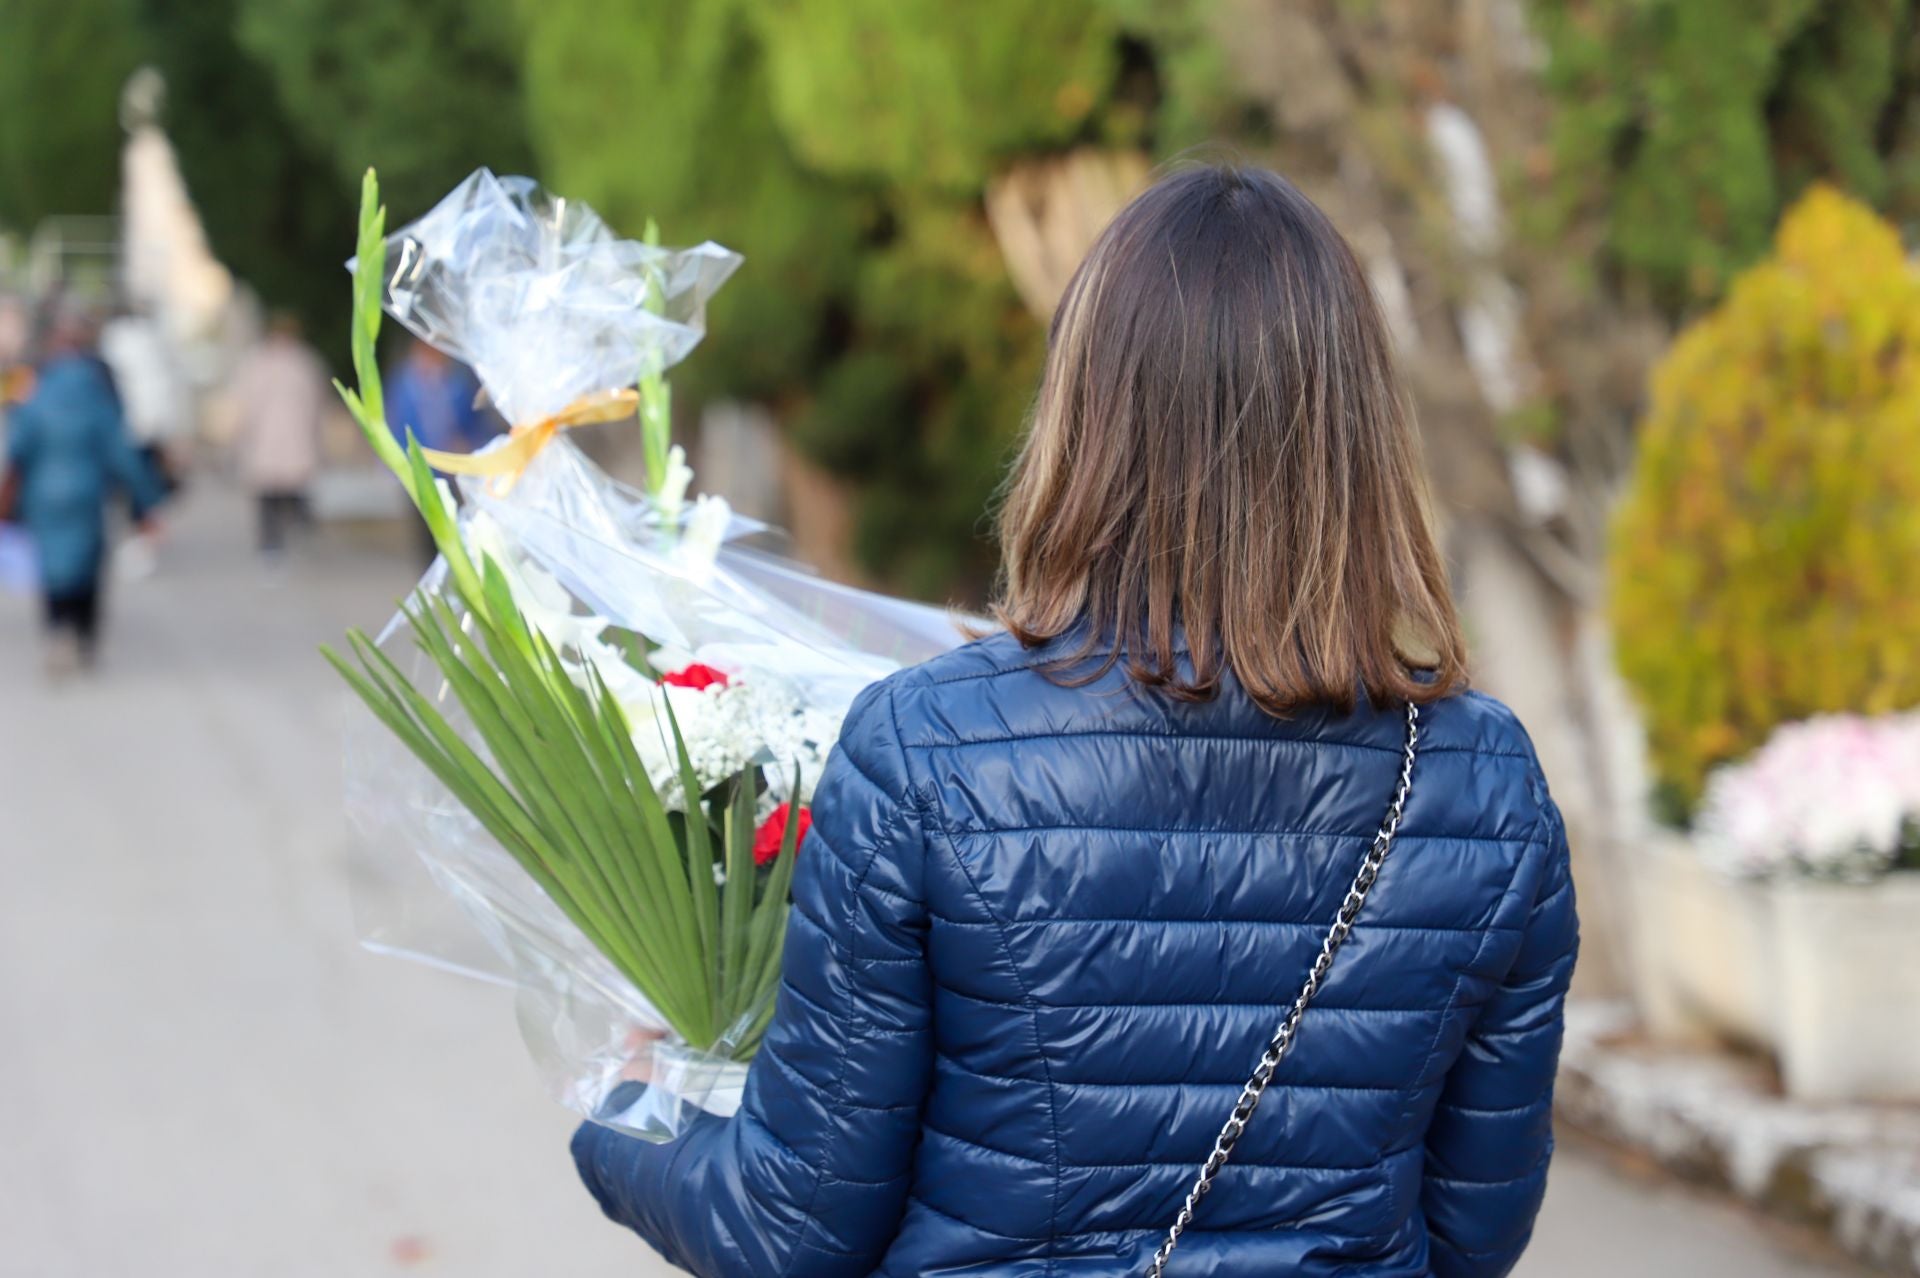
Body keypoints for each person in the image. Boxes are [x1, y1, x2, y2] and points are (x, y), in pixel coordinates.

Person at [569, 166, 1578, 1277]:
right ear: (1357, 432)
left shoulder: (926, 755)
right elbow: (1476, 1232)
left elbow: (790, 1233)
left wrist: (619, 1113)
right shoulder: (1486, 785)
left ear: (1085, 414)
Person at [2, 313, 165, 671]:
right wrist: (146, 503)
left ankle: (58, 629)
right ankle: (84, 636)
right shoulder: (97, 399)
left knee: (51, 568)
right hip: (87, 495)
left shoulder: (36, 399)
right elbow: (123, 457)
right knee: (86, 568)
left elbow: (15, 452)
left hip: (44, 498)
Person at [383, 338, 496, 563]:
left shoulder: (457, 382)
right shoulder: (404, 385)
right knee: (426, 525)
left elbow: (474, 421)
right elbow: (396, 424)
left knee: (456, 523)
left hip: (453, 465)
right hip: (419, 464)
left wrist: (468, 444)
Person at [229, 311, 328, 559]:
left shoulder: (300, 362)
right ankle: (274, 541)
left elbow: (314, 402)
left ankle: (280, 539)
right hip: (273, 440)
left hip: (285, 439)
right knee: (272, 494)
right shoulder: (269, 362)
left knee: (282, 492)